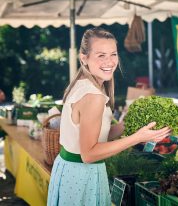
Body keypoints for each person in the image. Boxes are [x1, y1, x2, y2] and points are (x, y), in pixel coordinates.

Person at [47, 28, 171, 206]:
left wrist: (125, 125)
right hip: (82, 177)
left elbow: (96, 136)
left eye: (113, 54)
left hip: (69, 171)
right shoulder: (93, 96)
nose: (109, 61)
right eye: (101, 55)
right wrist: (137, 137)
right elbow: (88, 155)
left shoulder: (84, 84)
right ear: (84, 58)